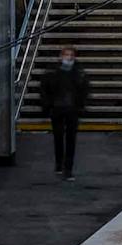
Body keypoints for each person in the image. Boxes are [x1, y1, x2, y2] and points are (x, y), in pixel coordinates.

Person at [37, 47, 92, 180]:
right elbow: (45, 90)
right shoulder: (58, 73)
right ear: (61, 57)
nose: (68, 58)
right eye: (66, 55)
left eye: (71, 55)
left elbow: (84, 90)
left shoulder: (77, 73)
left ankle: (67, 167)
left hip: (71, 109)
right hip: (58, 108)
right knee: (59, 137)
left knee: (70, 139)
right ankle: (60, 163)